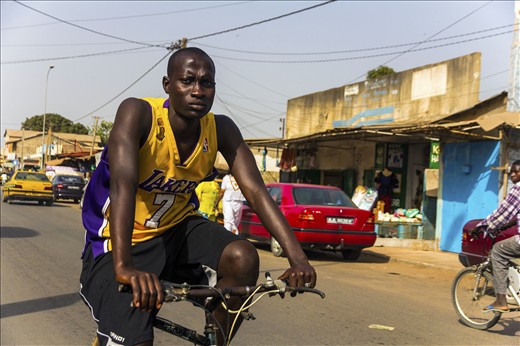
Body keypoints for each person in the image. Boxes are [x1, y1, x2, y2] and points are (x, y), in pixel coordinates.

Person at [79, 47, 316, 346]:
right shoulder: (138, 114)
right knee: (134, 338)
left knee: (242, 257)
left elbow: (256, 191)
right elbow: (122, 187)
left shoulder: (221, 129)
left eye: (207, 83)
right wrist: (125, 267)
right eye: (187, 81)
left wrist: (298, 259)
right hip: (120, 241)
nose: (198, 90)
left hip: (176, 231)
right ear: (168, 86)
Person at [474, 159, 520, 313]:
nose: (513, 175)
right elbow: (514, 216)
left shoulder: (518, 189)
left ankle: (501, 300)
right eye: (511, 172)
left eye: (516, 171)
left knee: (498, 251)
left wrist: (483, 225)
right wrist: (505, 225)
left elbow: (502, 212)